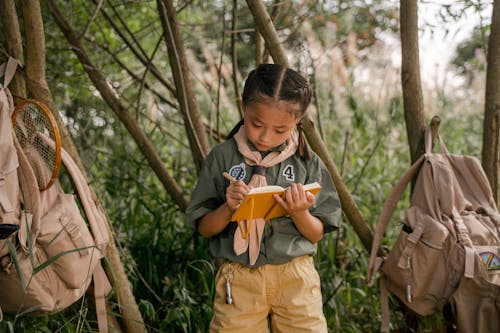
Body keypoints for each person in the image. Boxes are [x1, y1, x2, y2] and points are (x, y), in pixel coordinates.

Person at [185, 63, 341, 333]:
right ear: (243, 107)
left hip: (296, 277)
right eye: (257, 124)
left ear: (298, 121)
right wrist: (229, 207)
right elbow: (205, 227)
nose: (266, 137)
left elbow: (315, 235)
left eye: (280, 130)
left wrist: (299, 212)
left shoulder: (307, 162)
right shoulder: (223, 157)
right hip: (239, 277)